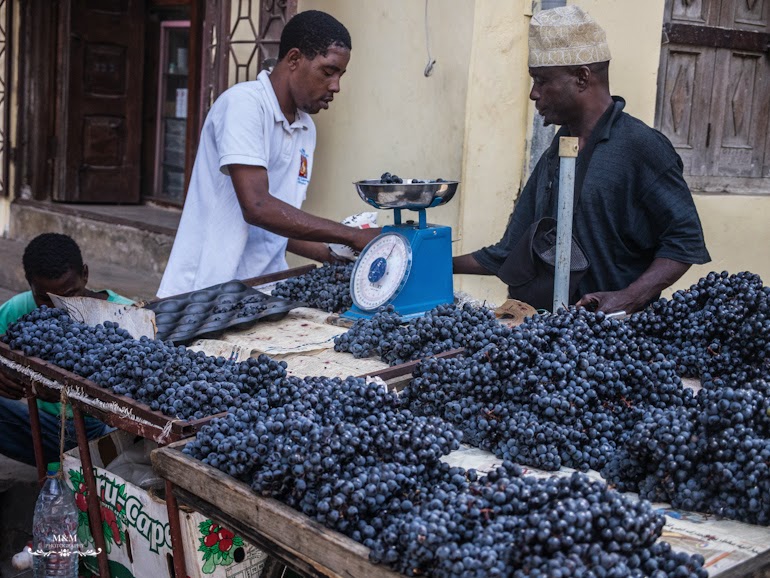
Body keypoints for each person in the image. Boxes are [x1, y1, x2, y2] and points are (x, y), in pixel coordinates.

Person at [453, 5, 710, 314]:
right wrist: (426, 263)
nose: (534, 94)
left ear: (582, 78)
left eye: (542, 80)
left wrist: (630, 296)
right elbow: (508, 251)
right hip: (550, 335)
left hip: (612, 338)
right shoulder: (558, 150)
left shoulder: (641, 147)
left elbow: (684, 241)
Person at [158, 10, 378, 298]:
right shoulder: (244, 105)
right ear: (295, 59)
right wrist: (350, 235)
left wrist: (332, 254)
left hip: (265, 290)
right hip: (203, 292)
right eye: (328, 71)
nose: (335, 86)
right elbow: (258, 207)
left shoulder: (305, 128)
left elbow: (278, 225)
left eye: (340, 75)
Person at [0, 233, 133, 467]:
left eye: (69, 295)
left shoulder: (125, 315)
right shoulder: (19, 307)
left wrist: (68, 392)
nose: (57, 308)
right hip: (45, 427)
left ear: (85, 274)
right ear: (30, 284)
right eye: (45, 298)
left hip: (103, 431)